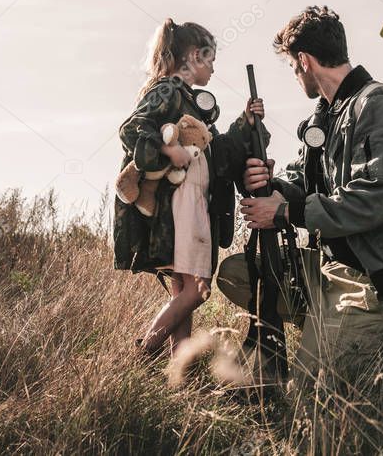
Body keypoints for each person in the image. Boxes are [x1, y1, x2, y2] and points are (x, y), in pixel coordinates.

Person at [218, 5, 383, 392]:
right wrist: (271, 184)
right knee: (239, 273)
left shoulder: (377, 105)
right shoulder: (324, 116)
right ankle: (324, 331)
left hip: (374, 282)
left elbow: (377, 196)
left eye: (291, 66)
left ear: (303, 61)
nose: (294, 75)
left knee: (310, 397)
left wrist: (287, 211)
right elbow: (303, 181)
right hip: (328, 270)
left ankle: (372, 340)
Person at [114, 18, 268, 361]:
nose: (213, 68)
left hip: (187, 201)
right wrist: (169, 150)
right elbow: (132, 128)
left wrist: (247, 122)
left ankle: (178, 374)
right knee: (198, 290)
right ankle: (144, 351)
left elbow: (216, 154)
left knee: (183, 290)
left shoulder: (188, 100)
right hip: (181, 204)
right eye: (210, 60)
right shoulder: (169, 90)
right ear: (195, 56)